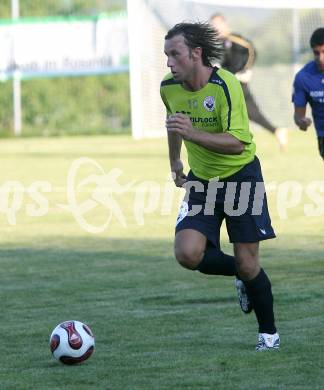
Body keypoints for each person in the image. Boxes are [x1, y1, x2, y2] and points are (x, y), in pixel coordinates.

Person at [160, 22, 280, 351]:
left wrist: (192, 134)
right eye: (166, 55)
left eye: (175, 54)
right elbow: (174, 124)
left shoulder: (225, 85)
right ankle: (243, 276)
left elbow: (238, 144)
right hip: (203, 181)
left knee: (248, 262)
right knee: (187, 253)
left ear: (196, 53)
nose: (169, 62)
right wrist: (175, 160)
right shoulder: (169, 87)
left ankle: (268, 335)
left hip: (242, 177)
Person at [209, 13, 288, 150]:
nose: (215, 28)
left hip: (238, 82)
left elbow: (251, 50)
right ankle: (276, 131)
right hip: (228, 83)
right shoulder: (219, 43)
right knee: (243, 112)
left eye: (217, 25)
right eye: (213, 26)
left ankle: (274, 132)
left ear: (224, 24)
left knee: (247, 111)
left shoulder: (235, 39)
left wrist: (246, 71)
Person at [292, 28, 324, 159]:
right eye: (317, 53)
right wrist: (302, 122)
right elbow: (298, 116)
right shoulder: (303, 77)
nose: (320, 58)